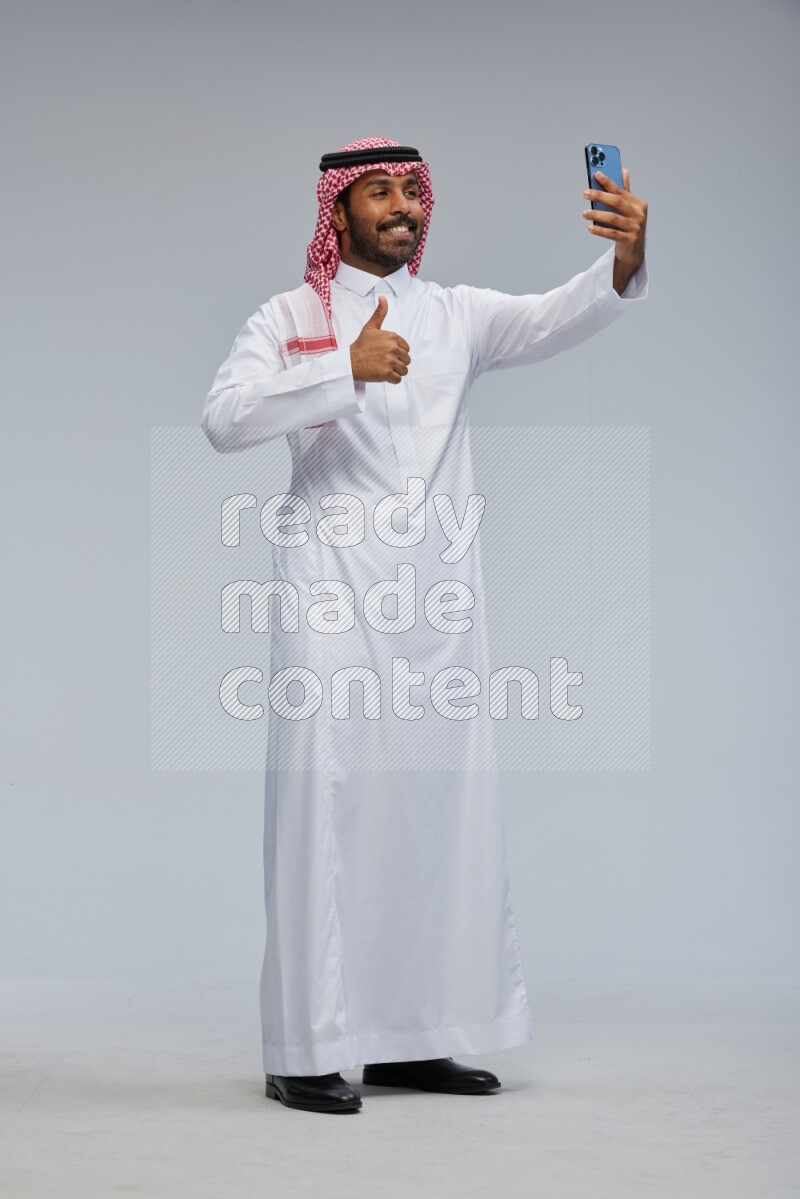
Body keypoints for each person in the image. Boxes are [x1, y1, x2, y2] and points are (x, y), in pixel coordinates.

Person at [202, 136, 648, 1114]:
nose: (401, 205)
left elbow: (552, 316)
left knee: (434, 811)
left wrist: (622, 260)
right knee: (325, 811)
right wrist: (342, 369)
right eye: (379, 191)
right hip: (331, 600)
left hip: (437, 609)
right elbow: (224, 418)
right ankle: (304, 1047)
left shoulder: (455, 315)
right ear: (337, 210)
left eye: (412, 189)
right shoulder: (289, 317)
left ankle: (414, 1038)